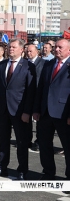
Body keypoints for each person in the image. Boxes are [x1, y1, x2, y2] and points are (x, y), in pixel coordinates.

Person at [0, 39, 36, 180]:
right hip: (2, 110)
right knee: (3, 141)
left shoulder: (28, 66)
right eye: (9, 47)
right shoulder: (1, 65)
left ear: (22, 50)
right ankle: (2, 167)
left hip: (20, 111)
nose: (10, 49)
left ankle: (22, 170)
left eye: (13, 47)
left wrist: (27, 112)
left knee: (21, 142)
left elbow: (30, 91)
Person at [33, 39, 70, 181]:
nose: (57, 49)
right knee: (44, 145)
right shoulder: (48, 64)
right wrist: (36, 109)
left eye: (60, 47)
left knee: (67, 147)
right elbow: (40, 88)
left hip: (63, 113)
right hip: (45, 112)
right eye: (56, 47)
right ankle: (48, 173)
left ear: (68, 50)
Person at [26, 44, 45, 151]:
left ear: (37, 52)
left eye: (31, 51)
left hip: (38, 94)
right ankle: (28, 140)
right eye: (27, 51)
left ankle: (38, 141)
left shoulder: (43, 63)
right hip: (27, 95)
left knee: (38, 120)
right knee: (27, 119)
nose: (29, 53)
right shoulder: (25, 63)